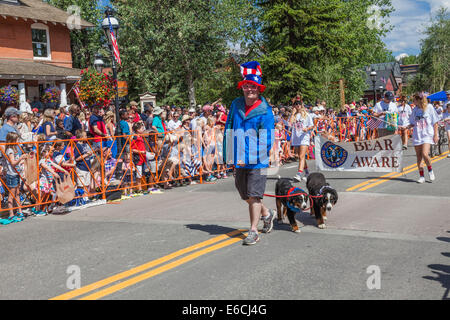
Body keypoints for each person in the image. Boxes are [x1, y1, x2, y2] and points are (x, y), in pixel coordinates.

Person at [223, 60, 275, 246]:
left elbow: (267, 138)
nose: (249, 89)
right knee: (243, 193)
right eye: (246, 86)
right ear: (242, 87)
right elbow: (229, 127)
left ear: (258, 88)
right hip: (238, 157)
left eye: (253, 86)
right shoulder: (236, 104)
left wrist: (253, 156)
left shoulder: (265, 111)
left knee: (254, 194)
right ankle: (267, 214)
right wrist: (227, 154)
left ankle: (253, 230)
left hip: (257, 160)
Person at [407, 92, 439, 183]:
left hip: (427, 134)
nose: (413, 102)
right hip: (417, 134)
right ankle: (421, 176)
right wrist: (408, 126)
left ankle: (430, 170)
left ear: (418, 100)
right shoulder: (415, 110)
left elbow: (435, 122)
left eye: (414, 100)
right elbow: (413, 122)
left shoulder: (429, 108)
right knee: (419, 156)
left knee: (425, 154)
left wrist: (436, 135)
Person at [290, 101, 314, 182]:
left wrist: (307, 129)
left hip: (304, 137)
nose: (297, 105)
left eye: (299, 104)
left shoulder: (306, 115)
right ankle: (307, 172)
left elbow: (312, 125)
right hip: (296, 138)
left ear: (301, 105)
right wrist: (293, 114)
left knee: (301, 156)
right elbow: (290, 124)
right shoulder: (294, 115)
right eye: (296, 104)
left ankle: (299, 174)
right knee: (301, 156)